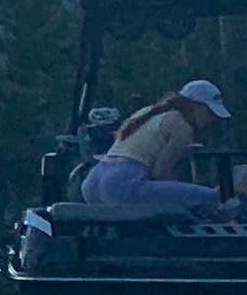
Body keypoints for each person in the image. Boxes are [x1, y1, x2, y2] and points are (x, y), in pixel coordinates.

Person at [81, 80, 230, 214]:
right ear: (194, 106)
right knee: (210, 197)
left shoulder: (148, 112)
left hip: (94, 180)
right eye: (210, 113)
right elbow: (160, 173)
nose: (213, 119)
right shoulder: (182, 128)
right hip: (122, 184)